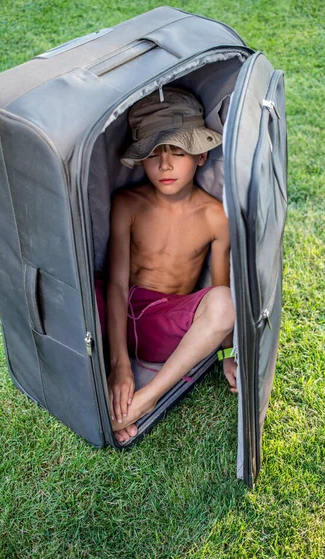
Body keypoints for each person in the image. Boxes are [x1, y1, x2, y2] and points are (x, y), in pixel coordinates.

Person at [96, 87, 237, 443]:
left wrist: (230, 356)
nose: (165, 165)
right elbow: (115, 284)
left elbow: (218, 293)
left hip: (165, 329)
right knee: (69, 287)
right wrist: (120, 366)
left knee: (225, 301)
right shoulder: (127, 203)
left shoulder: (215, 217)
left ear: (202, 155)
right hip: (115, 315)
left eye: (178, 151)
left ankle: (146, 398)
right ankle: (106, 389)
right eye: (153, 154)